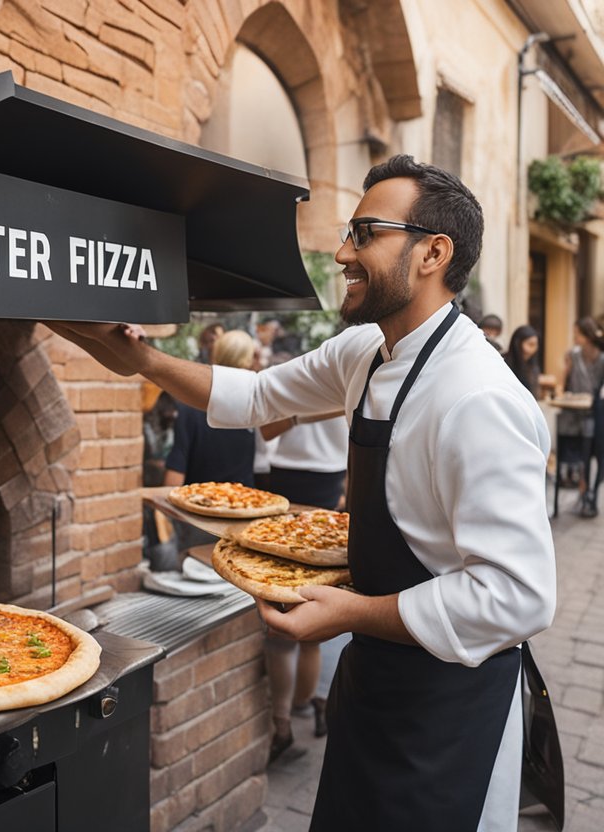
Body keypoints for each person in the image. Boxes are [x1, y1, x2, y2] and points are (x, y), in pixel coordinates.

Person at [50, 154, 556, 831]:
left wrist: (349, 613)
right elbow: (257, 395)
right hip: (375, 685)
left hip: (451, 709)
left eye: (366, 233)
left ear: (435, 252)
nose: (344, 251)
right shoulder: (367, 354)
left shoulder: (478, 397)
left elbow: (517, 596)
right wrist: (142, 360)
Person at [258, 411, 349, 763]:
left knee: (283, 609)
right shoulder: (354, 372)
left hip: (289, 474)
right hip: (328, 476)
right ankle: (307, 706)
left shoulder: (303, 374)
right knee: (312, 615)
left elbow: (266, 431)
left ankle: (284, 722)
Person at [163, 330, 259, 555]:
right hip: (245, 510)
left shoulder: (189, 404)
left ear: (213, 357)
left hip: (198, 513)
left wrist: (167, 518)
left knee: (193, 576)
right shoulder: (255, 407)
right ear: (247, 361)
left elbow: (177, 465)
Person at [557, 317, 604, 516]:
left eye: (577, 333)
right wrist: (561, 392)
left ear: (587, 336)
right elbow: (563, 381)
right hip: (572, 412)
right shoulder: (572, 355)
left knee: (594, 456)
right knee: (577, 456)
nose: (574, 336)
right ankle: (583, 494)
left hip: (595, 413)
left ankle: (589, 495)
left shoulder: (602, 358)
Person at [504, 324, 542, 398]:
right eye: (530, 344)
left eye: (536, 345)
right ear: (517, 343)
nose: (534, 349)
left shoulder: (532, 365)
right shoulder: (504, 364)